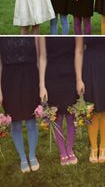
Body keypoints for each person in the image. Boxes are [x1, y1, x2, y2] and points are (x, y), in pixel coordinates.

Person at [0, 37, 46, 173]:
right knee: (15, 122)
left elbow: (40, 58)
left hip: (30, 77)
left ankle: (32, 155)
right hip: (9, 81)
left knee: (31, 121)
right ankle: (23, 157)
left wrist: (41, 85)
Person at [38, 37, 78, 165]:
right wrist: (42, 85)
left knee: (71, 116)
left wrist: (79, 79)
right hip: (52, 77)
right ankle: (62, 151)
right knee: (57, 117)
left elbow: (79, 52)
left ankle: (70, 149)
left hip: (71, 76)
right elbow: (42, 57)